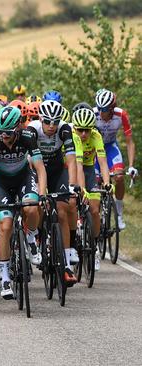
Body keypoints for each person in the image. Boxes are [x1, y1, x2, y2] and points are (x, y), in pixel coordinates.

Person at [0, 106, 47, 299]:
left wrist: (42, 194)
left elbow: (40, 168)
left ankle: (31, 238)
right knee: (5, 225)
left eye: (9, 133)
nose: (4, 136)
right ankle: (4, 277)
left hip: (23, 178)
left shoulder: (28, 136)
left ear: (18, 128)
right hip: (1, 183)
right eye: (1, 132)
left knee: (31, 206)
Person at [26, 100, 79, 284]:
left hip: (56, 170)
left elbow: (71, 160)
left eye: (55, 122)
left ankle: (66, 264)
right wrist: (41, 190)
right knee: (38, 205)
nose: (51, 126)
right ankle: (38, 237)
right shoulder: (32, 129)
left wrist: (72, 185)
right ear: (40, 118)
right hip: (36, 168)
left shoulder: (64, 129)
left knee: (64, 208)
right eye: (47, 121)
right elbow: (31, 161)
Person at [72, 108, 111, 272]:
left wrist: (107, 183)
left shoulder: (96, 136)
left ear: (92, 129)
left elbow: (102, 162)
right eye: (80, 129)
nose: (83, 134)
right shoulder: (73, 136)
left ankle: (94, 247)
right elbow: (77, 166)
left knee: (95, 210)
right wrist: (81, 190)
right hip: (72, 168)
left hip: (88, 169)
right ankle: (71, 244)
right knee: (71, 205)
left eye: (86, 130)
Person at [94, 89, 136, 229]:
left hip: (111, 147)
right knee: (95, 181)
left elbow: (129, 141)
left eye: (104, 109)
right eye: (99, 108)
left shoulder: (121, 114)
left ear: (112, 108)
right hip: (94, 150)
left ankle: (118, 215)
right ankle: (95, 216)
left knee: (119, 177)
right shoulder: (93, 114)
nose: (101, 112)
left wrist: (130, 165)